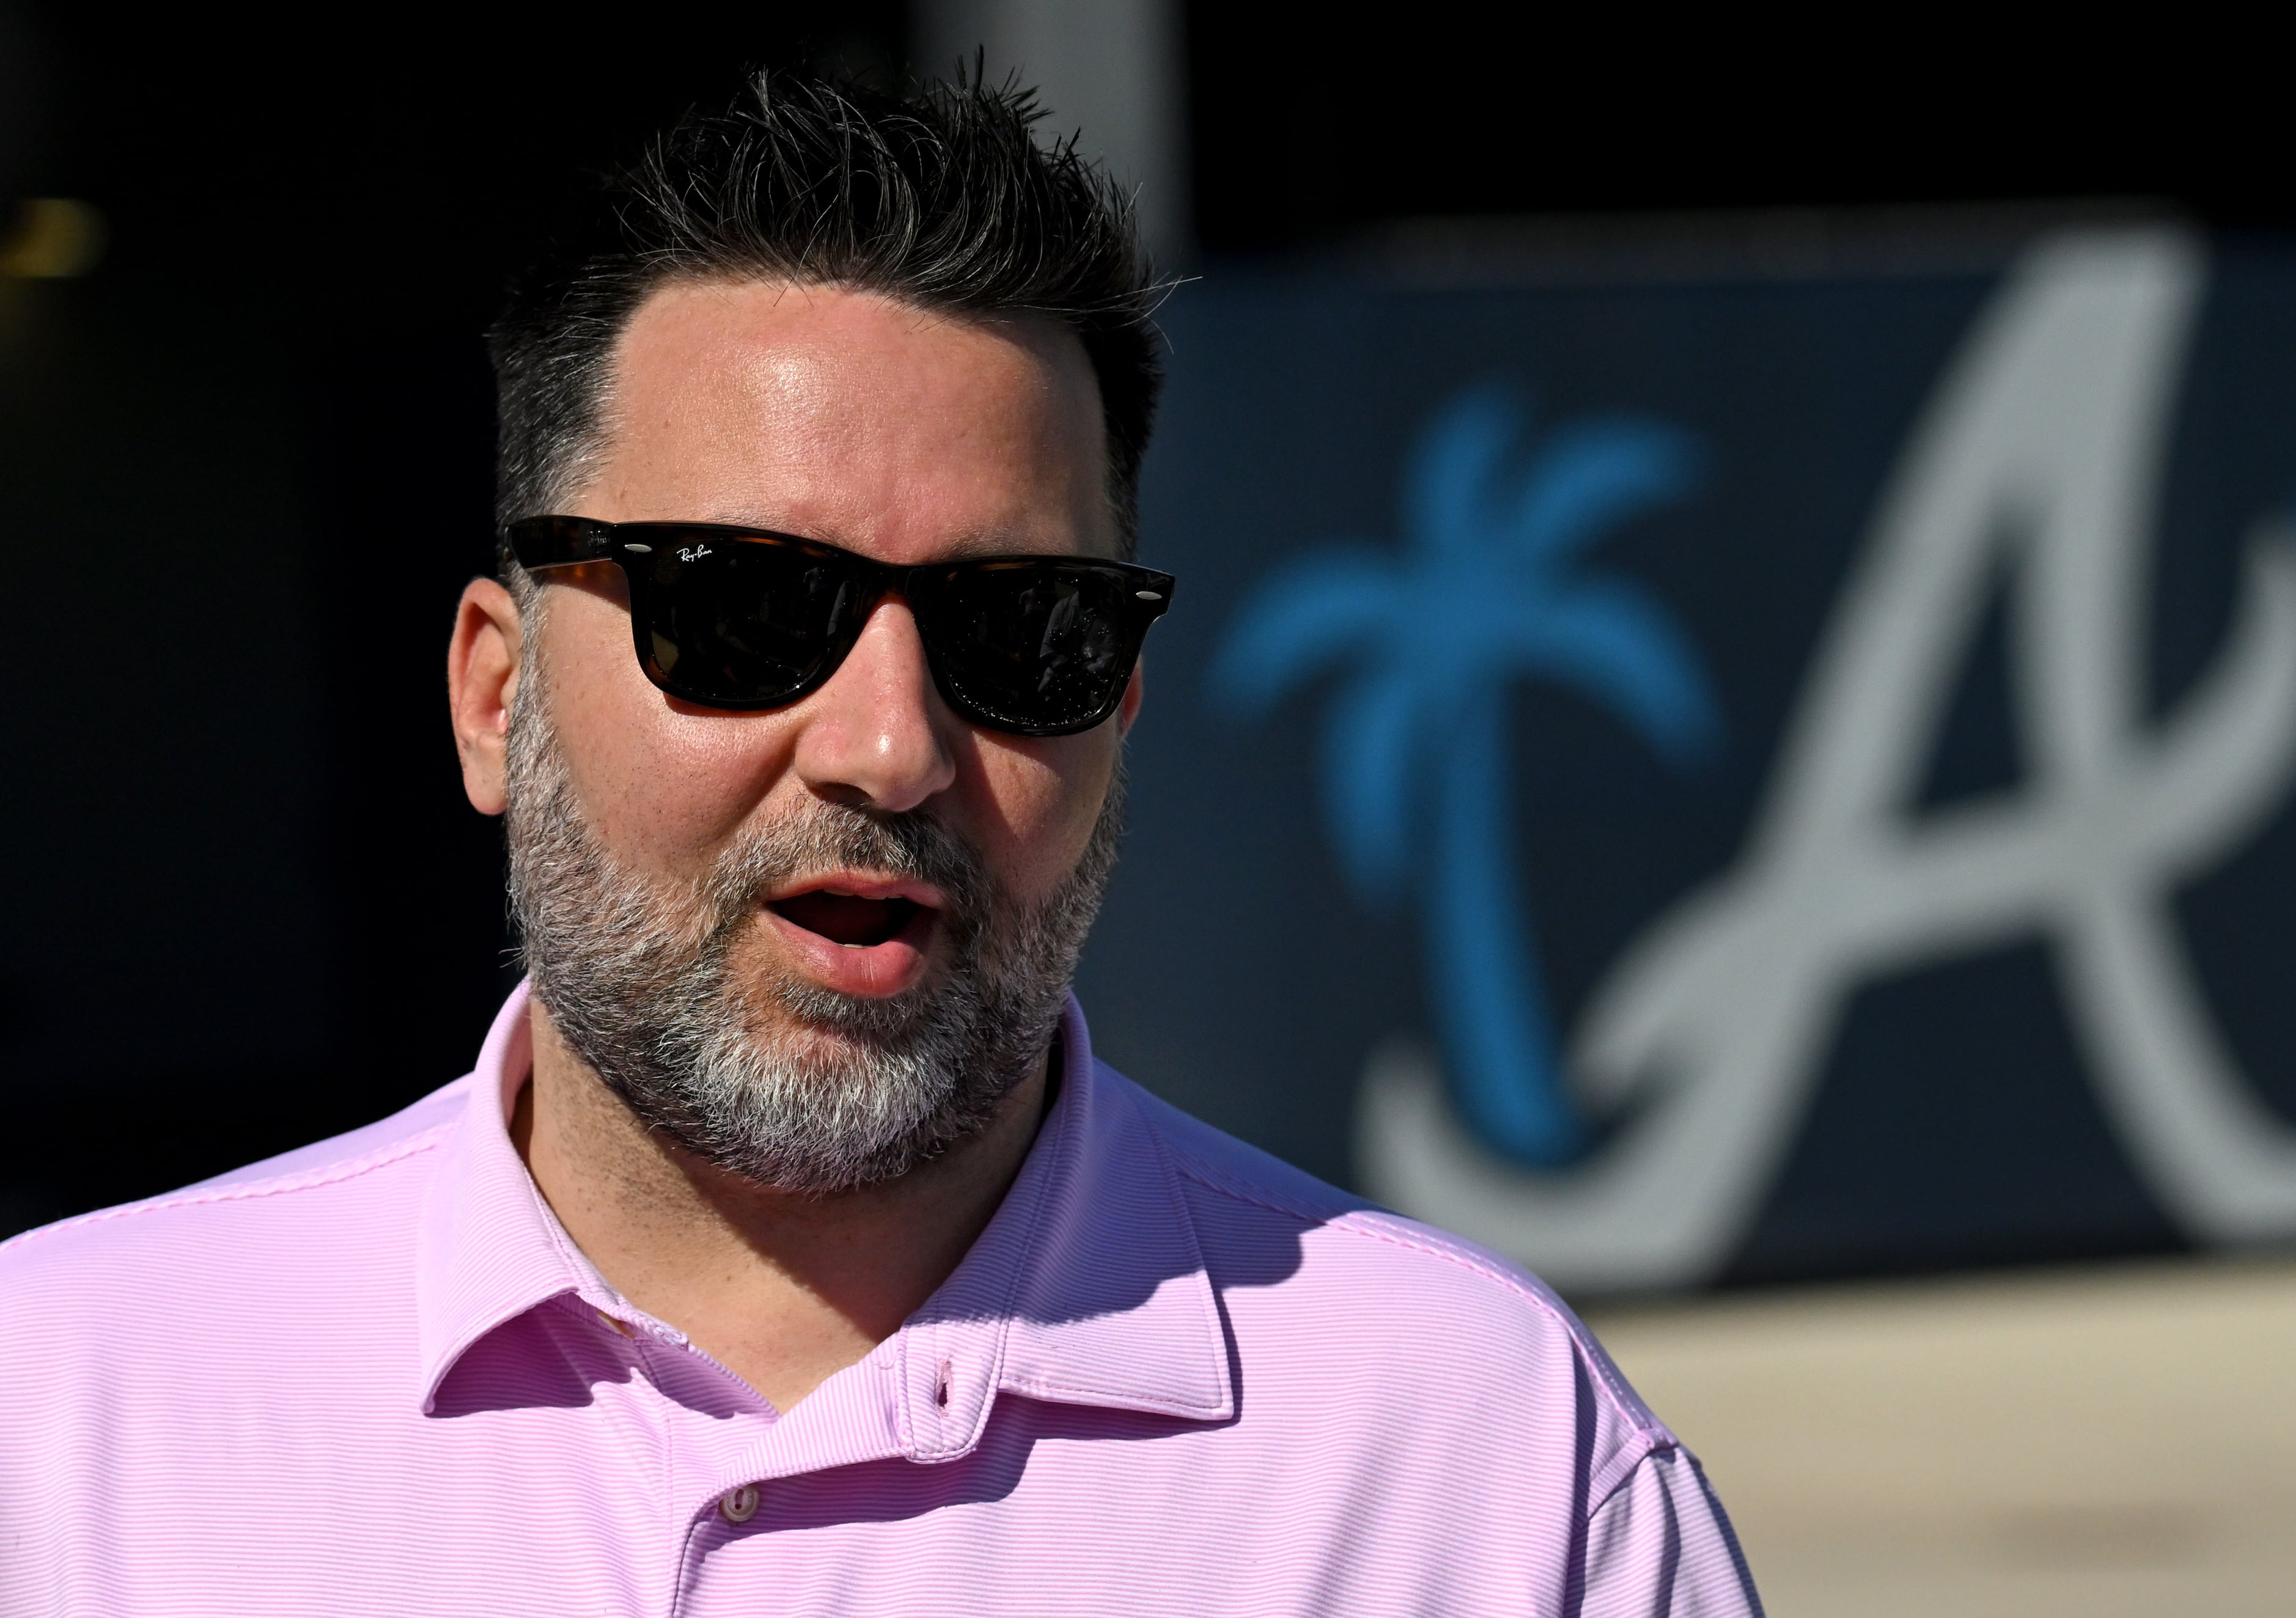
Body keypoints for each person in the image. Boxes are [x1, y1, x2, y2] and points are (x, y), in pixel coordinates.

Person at [0, 71, 1761, 1616]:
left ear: (1120, 705)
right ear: (493, 696)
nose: (893, 744)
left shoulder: (1490, 1478)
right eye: (745, 606)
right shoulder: (63, 1431)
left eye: (1022, 633)